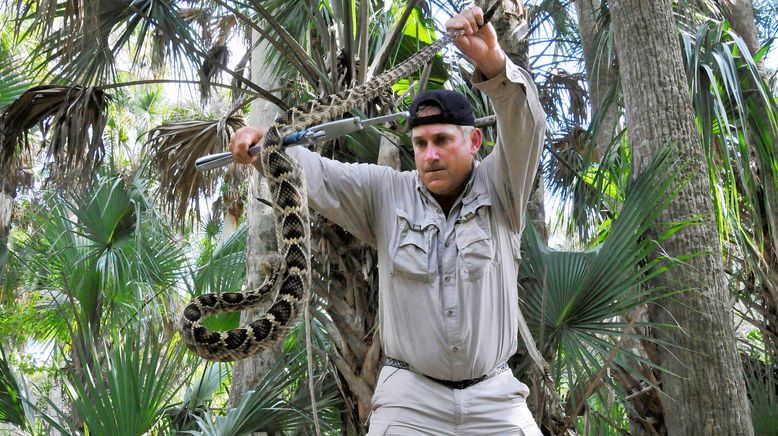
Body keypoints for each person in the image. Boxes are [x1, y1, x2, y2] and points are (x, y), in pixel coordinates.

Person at [229, 7, 545, 435]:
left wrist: (491, 61)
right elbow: (314, 174)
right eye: (420, 143)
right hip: (410, 398)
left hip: (495, 398)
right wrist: (263, 144)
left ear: (474, 141)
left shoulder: (502, 188)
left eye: (442, 141)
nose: (430, 154)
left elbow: (525, 125)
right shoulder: (385, 193)